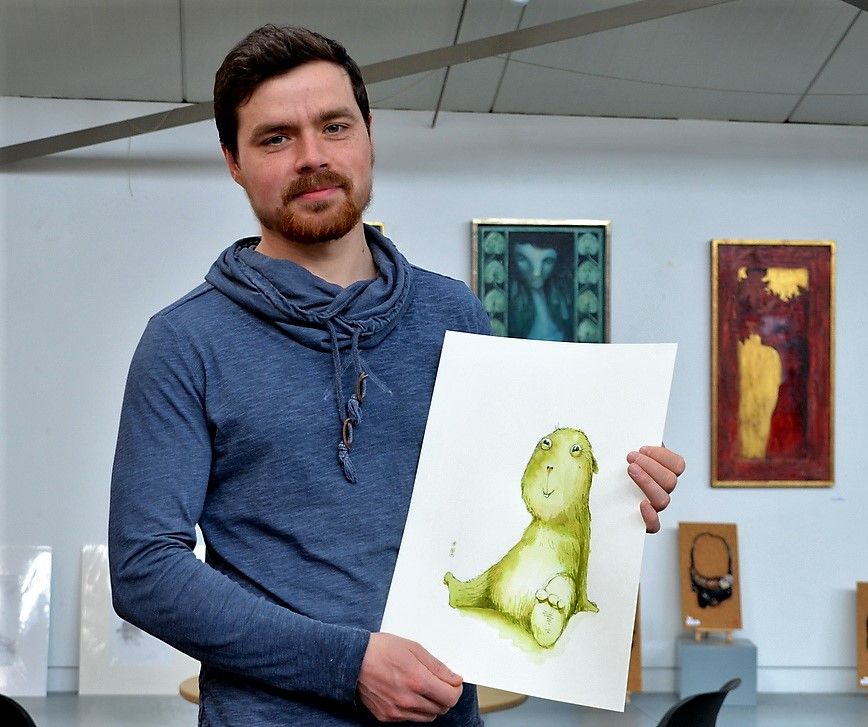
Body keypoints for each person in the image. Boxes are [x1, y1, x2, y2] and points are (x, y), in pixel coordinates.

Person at [108, 24, 685, 727]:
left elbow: (498, 503)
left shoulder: (455, 314)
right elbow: (145, 570)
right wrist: (348, 665)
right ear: (233, 161)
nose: (313, 156)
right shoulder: (184, 341)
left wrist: (617, 494)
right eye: (276, 138)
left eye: (335, 126)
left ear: (369, 133)